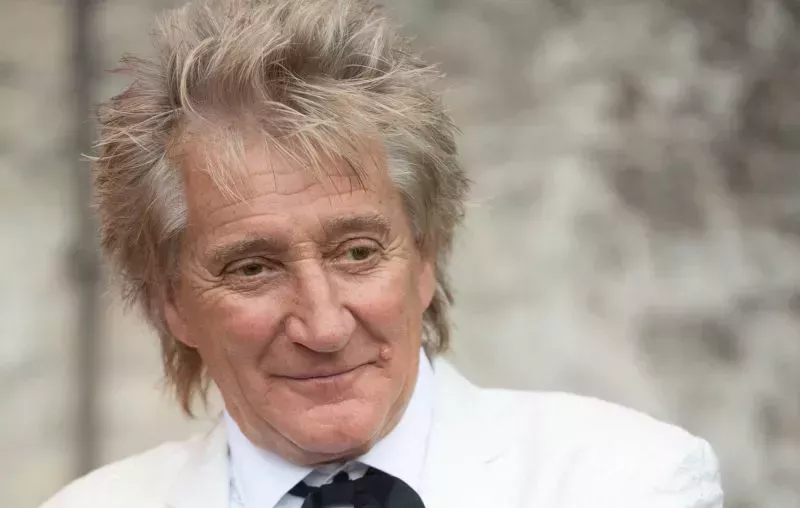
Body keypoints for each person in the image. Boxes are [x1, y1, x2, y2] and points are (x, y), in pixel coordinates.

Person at [42, 0, 724, 506]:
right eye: (253, 268)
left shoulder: (629, 482)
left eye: (357, 253)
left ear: (425, 258)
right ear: (171, 302)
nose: (324, 326)